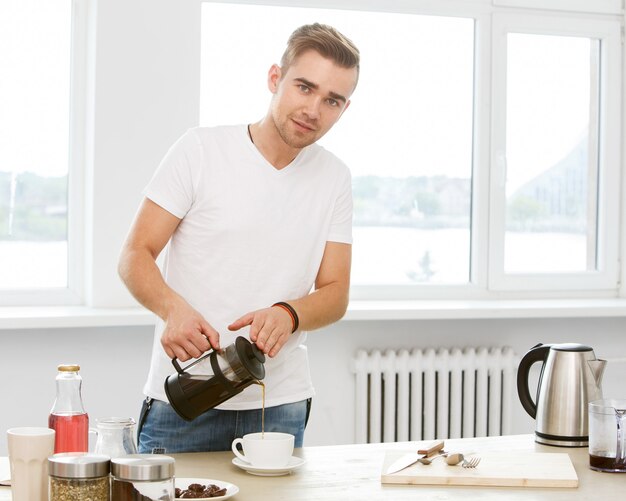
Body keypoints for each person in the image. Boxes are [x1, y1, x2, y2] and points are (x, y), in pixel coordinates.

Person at [118, 23, 360, 453]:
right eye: (304, 87)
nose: (314, 109)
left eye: (332, 100)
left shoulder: (335, 178)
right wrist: (172, 309)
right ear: (274, 78)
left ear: (344, 108)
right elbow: (136, 254)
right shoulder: (199, 151)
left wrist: (288, 313)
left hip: (278, 404)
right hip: (184, 395)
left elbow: (336, 293)